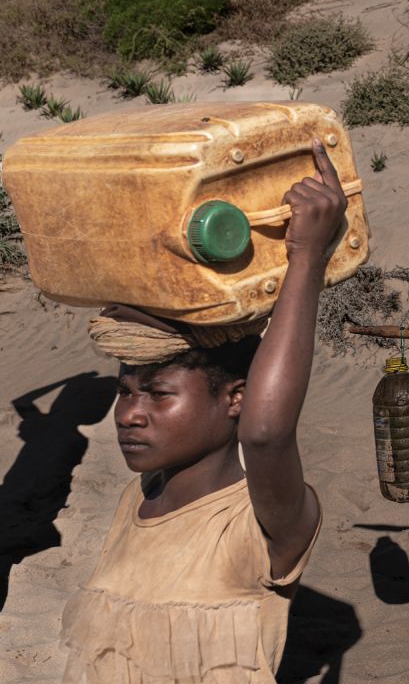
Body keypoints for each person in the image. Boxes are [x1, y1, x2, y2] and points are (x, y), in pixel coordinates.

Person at [59, 139, 346, 683]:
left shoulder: (263, 522)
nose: (129, 415)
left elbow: (265, 434)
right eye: (125, 392)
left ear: (235, 397)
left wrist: (305, 257)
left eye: (158, 393)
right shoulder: (136, 501)